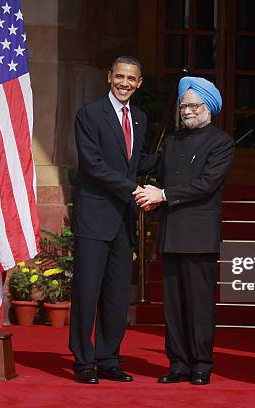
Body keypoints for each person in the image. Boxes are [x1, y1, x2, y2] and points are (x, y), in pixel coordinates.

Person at [134, 77, 235, 385]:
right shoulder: (175, 140)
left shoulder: (221, 142)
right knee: (174, 305)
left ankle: (202, 364)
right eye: (184, 105)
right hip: (171, 233)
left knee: (199, 304)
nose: (188, 111)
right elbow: (154, 165)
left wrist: (161, 195)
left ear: (209, 107)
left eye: (194, 105)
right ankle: (178, 363)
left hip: (199, 236)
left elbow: (206, 184)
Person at [70, 56, 147, 384]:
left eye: (131, 78)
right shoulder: (89, 114)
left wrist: (181, 159)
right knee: (87, 292)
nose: (125, 83)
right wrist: (135, 189)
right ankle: (84, 361)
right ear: (109, 77)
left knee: (116, 294)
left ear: (139, 83)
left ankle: (108, 358)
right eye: (120, 77)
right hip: (94, 217)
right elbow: (93, 164)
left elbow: (137, 160)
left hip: (123, 221)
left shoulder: (140, 118)